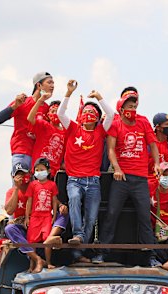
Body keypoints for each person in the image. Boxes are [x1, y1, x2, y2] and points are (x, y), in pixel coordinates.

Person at [93, 89, 161, 266]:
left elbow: (153, 145)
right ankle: (102, 253)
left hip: (140, 179)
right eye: (129, 106)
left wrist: (156, 163)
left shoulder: (143, 122)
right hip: (121, 179)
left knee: (144, 217)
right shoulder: (116, 124)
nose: (132, 109)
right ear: (121, 109)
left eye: (134, 105)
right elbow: (110, 150)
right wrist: (117, 168)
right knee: (112, 213)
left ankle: (151, 256)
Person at [57, 80, 115, 263]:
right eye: (86, 111)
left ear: (98, 117)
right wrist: (68, 93)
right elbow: (60, 113)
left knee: (91, 217)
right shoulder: (73, 128)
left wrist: (99, 97)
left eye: (92, 112)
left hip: (94, 181)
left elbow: (112, 114)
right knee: (74, 200)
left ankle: (80, 247)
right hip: (74, 179)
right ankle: (78, 235)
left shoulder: (100, 132)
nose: (88, 114)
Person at [0, 72, 54, 173]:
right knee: (20, 184)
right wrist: (14, 106)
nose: (52, 86)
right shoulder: (22, 102)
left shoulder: (47, 109)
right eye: (49, 82)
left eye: (53, 83)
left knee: (36, 189)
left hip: (39, 157)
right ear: (38, 85)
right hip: (22, 152)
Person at [25, 157, 64, 269]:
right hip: (35, 217)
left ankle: (48, 262)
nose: (39, 172)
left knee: (47, 239)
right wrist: (27, 217)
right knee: (31, 241)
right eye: (37, 170)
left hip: (46, 216)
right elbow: (29, 201)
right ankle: (32, 264)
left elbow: (54, 201)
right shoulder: (33, 185)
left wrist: (54, 216)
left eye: (42, 169)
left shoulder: (52, 185)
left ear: (48, 171)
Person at [28, 98, 66, 177]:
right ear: (48, 115)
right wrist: (39, 101)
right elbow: (30, 118)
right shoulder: (44, 125)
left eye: (58, 112)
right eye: (53, 111)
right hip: (38, 170)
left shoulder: (66, 132)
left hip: (53, 174)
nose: (55, 114)